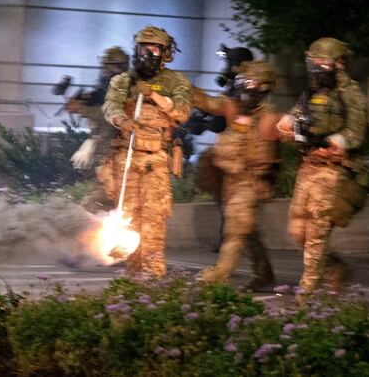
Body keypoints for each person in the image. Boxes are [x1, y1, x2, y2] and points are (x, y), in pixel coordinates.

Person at [276, 37, 368, 298]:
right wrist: (286, 126)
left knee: (316, 232)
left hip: (332, 170)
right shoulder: (311, 92)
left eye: (322, 63)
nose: (316, 68)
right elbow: (292, 119)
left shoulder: (351, 94)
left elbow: (356, 132)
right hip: (308, 167)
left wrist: (334, 143)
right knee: (298, 230)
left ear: (339, 64)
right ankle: (335, 269)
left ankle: (307, 292)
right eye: (312, 62)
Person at [101, 26, 192, 277]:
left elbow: (182, 113)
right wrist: (122, 120)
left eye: (154, 49)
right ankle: (133, 275)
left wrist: (154, 95)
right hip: (128, 157)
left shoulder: (176, 82)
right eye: (143, 48)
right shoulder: (123, 80)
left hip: (156, 160)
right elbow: (111, 106)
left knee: (153, 221)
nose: (147, 54)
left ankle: (153, 277)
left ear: (165, 52)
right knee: (129, 219)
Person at [194, 60, 280, 290]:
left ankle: (221, 273)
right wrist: (180, 87)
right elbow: (204, 101)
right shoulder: (234, 110)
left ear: (263, 88)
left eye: (250, 83)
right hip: (230, 180)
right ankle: (265, 275)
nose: (243, 88)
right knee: (247, 231)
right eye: (241, 82)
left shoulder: (269, 118)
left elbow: (292, 134)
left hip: (251, 181)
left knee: (235, 228)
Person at [188, 44, 255, 251]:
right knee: (226, 199)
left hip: (242, 152)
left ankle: (235, 241)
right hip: (231, 149)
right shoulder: (235, 88)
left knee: (233, 201)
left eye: (231, 64)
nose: (227, 68)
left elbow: (226, 119)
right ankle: (231, 240)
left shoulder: (247, 89)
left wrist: (205, 122)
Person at [67, 46, 129, 213]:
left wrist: (83, 109)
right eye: (109, 67)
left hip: (118, 152)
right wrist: (83, 101)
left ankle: (83, 223)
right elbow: (98, 97)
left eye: (116, 67)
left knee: (103, 195)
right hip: (104, 150)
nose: (111, 71)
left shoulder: (127, 91)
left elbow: (111, 117)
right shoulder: (107, 90)